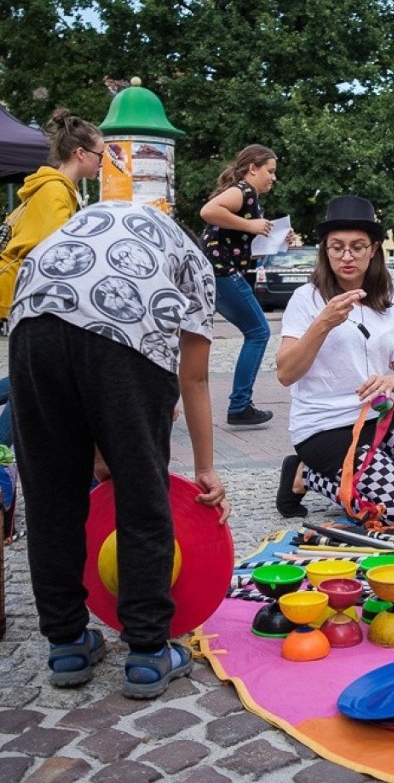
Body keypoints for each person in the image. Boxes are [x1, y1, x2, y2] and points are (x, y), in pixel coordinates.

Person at [8, 200, 230, 697]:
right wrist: (206, 468)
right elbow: (191, 378)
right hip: (125, 322)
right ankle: (150, 652)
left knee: (50, 495)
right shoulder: (194, 263)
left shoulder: (95, 220)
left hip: (34, 314)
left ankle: (66, 643)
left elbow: (81, 390)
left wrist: (100, 450)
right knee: (142, 492)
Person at [275, 195, 394, 522]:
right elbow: (285, 373)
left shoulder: (387, 300)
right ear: (325, 250)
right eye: (337, 247)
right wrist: (323, 323)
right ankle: (305, 474)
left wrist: (391, 380)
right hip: (324, 427)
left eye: (358, 246)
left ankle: (375, 473)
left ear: (374, 248)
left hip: (376, 415)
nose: (347, 256)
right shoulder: (306, 299)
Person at [0, 107, 105, 447]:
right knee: (31, 379)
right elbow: (56, 253)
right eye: (99, 156)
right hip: (26, 295)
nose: (102, 163)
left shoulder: (52, 188)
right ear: (80, 153)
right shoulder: (55, 191)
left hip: (21, 292)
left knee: (30, 377)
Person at [199, 144, 279, 427]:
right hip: (222, 273)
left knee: (193, 339)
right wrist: (251, 226)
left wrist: (275, 236)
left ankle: (240, 404)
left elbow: (240, 247)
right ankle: (240, 405)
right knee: (258, 332)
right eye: (269, 171)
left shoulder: (251, 198)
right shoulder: (243, 191)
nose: (273, 177)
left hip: (217, 273)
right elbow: (208, 211)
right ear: (252, 168)